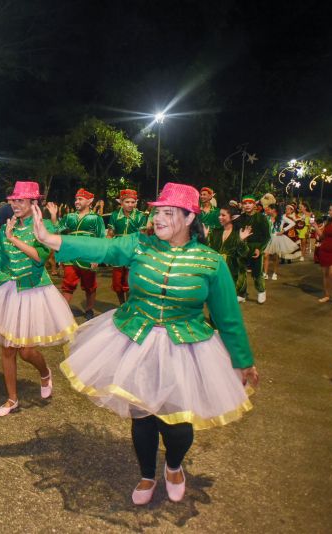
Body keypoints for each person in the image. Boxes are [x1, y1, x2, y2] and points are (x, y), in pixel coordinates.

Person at [31, 182, 258, 504]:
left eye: (168, 213)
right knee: (143, 417)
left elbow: (228, 317)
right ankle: (147, 474)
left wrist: (242, 360)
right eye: (157, 212)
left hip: (186, 347)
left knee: (178, 424)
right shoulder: (140, 244)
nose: (159, 218)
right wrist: (50, 238)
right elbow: (103, 249)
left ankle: (175, 466)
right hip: (136, 340)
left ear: (189, 217)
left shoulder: (211, 262)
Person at [0, 182, 77, 416]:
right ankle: (12, 399)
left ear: (33, 203)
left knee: (26, 351)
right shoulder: (6, 228)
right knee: (7, 349)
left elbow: (39, 257)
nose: (14, 204)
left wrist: (13, 238)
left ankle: (45, 373)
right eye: (13, 200)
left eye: (20, 201)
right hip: (9, 290)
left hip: (33, 291)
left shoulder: (41, 227)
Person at [47, 188, 106, 319]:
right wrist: (53, 216)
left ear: (89, 201)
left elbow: (101, 238)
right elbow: (58, 230)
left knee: (90, 286)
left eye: (80, 199)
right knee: (67, 284)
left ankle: (89, 310)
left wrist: (97, 258)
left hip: (88, 256)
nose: (76, 202)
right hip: (71, 256)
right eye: (76, 199)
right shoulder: (69, 217)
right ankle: (62, 311)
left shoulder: (96, 218)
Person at [106, 189, 146, 304]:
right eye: (127, 202)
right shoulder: (115, 215)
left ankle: (128, 305)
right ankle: (122, 305)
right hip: (118, 251)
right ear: (121, 203)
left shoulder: (140, 216)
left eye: (132, 202)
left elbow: (142, 236)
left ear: (136, 203)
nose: (130, 204)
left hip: (133, 251)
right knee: (117, 282)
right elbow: (110, 234)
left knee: (130, 280)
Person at [208, 205, 253, 303]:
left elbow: (244, 253)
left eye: (223, 215)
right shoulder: (216, 232)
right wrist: (204, 238)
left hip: (232, 273)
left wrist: (241, 240)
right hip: (216, 271)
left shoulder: (238, 233)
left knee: (226, 301)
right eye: (219, 215)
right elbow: (210, 251)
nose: (220, 217)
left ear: (232, 217)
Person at [237, 195, 271, 304]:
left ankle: (261, 291)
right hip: (242, 247)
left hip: (255, 248)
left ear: (254, 205)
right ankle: (241, 294)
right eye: (245, 203)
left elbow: (267, 236)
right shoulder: (240, 218)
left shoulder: (261, 218)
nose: (247, 205)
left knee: (257, 272)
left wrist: (259, 249)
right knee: (241, 271)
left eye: (250, 203)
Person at [263, 204, 299, 281]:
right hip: (269, 238)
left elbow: (293, 223)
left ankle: (275, 273)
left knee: (276, 257)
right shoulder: (267, 217)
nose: (268, 210)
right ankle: (265, 273)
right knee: (266, 255)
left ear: (274, 210)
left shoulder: (282, 217)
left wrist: (283, 230)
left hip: (277, 238)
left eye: (269, 209)